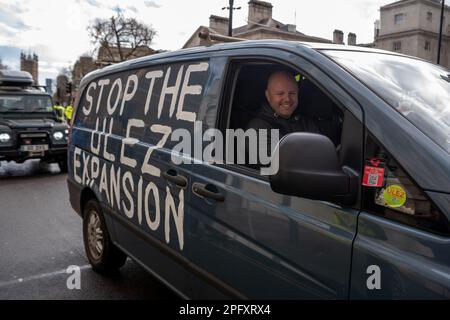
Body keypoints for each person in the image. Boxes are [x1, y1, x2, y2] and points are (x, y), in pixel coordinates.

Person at [246, 70, 320, 136]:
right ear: (268, 95)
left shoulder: (306, 123)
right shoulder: (258, 129)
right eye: (280, 94)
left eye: (292, 93)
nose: (287, 99)